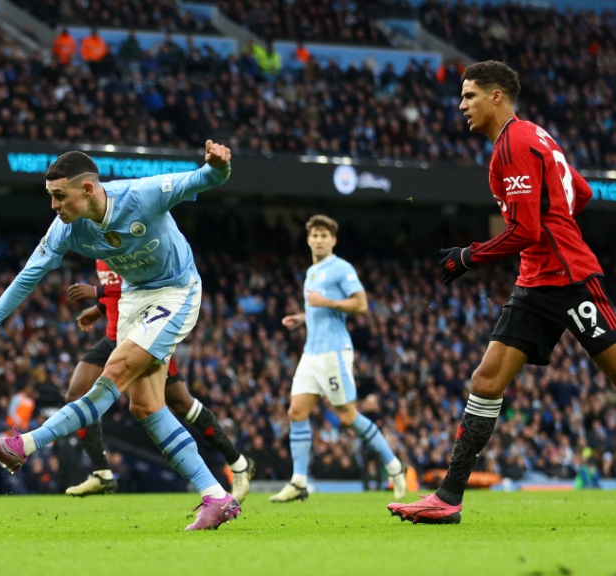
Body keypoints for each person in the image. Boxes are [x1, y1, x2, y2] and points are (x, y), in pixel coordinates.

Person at [0, 141, 241, 530]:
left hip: (176, 291)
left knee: (115, 370)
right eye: (51, 196)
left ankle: (26, 443)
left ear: (87, 189)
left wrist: (219, 165)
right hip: (133, 297)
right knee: (145, 406)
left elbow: (205, 179)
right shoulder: (66, 229)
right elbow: (27, 278)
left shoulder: (143, 195)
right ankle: (216, 496)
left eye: (60, 196)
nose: (53, 205)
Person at [389, 61, 616, 524]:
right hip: (536, 280)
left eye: (469, 95)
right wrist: (556, 220)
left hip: (570, 277)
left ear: (496, 96)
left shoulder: (512, 145)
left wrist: (467, 256)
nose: (462, 105)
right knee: (486, 381)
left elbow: (527, 230)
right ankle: (448, 497)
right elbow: (582, 191)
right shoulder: (536, 136)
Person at [62, 259, 255, 501]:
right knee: (76, 393)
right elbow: (120, 295)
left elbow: (145, 285)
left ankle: (238, 463)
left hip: (144, 339)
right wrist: (100, 308)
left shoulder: (127, 245)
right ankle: (101, 473)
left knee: (182, 404)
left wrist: (97, 291)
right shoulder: (100, 254)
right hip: (114, 338)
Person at [271, 215, 407, 502]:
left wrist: (326, 302)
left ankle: (394, 467)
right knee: (296, 412)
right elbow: (319, 310)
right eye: (315, 235)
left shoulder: (341, 268)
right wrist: (302, 317)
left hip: (333, 352)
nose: (319, 240)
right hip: (311, 352)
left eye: (324, 235)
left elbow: (361, 304)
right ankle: (298, 482)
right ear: (308, 239)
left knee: (348, 416)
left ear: (333, 240)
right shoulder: (311, 271)